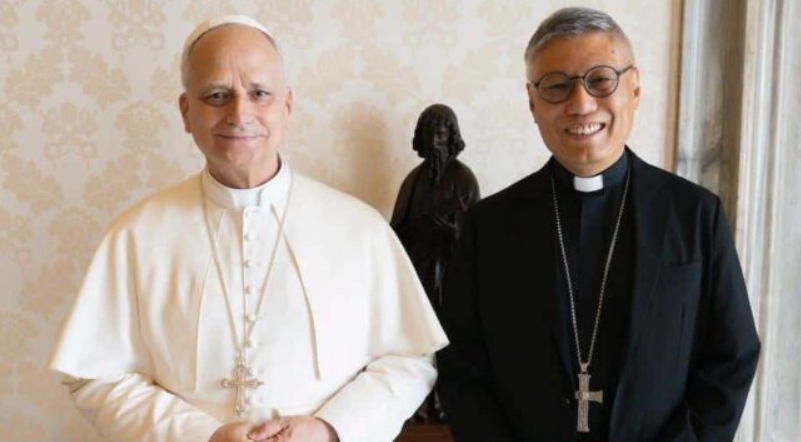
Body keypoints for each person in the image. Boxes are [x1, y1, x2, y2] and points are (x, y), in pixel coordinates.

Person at [49, 15, 448, 442]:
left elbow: (410, 359)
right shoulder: (137, 235)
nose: (239, 114)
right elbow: (96, 376)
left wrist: (331, 429)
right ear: (186, 111)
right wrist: (201, 436)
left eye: (259, 93)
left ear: (287, 105)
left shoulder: (359, 229)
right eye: (217, 95)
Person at [437, 7, 760, 442]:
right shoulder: (488, 228)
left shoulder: (695, 215)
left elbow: (731, 358)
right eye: (557, 85)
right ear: (532, 102)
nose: (581, 104)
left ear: (635, 88)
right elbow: (462, 371)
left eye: (601, 80)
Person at [390, 103, 480, 423]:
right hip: (417, 272)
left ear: (451, 137)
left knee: (448, 339)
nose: (435, 142)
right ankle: (417, 400)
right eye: (430, 135)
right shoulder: (413, 180)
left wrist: (449, 231)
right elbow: (396, 230)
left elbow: (475, 235)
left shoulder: (463, 178)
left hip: (451, 274)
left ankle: (446, 401)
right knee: (416, 339)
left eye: (441, 135)